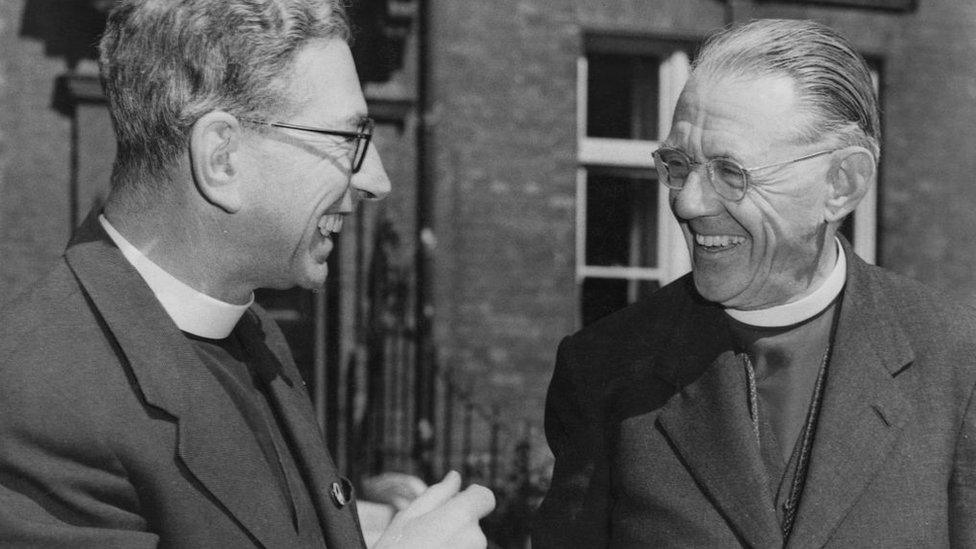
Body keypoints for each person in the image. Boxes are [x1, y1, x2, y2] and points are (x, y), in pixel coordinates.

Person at [0, 1, 494, 547]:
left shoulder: (250, 330)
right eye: (347, 140)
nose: (376, 181)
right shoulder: (40, 397)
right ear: (222, 158)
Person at [533, 19, 976, 548]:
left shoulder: (956, 361)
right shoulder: (604, 369)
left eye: (729, 172)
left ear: (842, 184)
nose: (687, 203)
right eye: (678, 165)